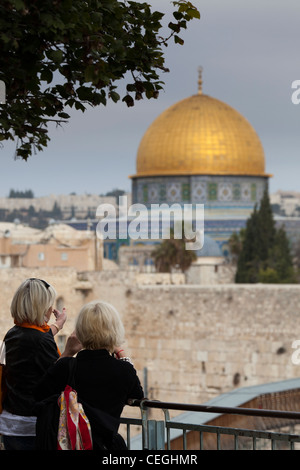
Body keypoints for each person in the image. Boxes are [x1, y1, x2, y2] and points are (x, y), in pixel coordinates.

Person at [34, 300, 144, 450]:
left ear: (80, 330)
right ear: (114, 330)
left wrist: (66, 353)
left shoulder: (66, 366)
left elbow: (39, 393)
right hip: (106, 446)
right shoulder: (124, 370)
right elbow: (137, 394)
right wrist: (122, 354)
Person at [0, 278, 81, 451]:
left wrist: (57, 326)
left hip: (10, 423)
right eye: (48, 304)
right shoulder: (41, 340)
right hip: (32, 426)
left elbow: (34, 340)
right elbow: (53, 379)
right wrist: (68, 352)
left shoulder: (13, 333)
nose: (51, 308)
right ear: (40, 306)